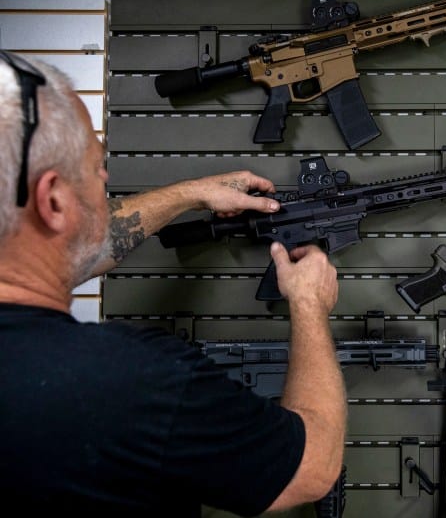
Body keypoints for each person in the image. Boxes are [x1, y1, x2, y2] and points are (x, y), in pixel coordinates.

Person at [0, 52, 346, 516]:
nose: (106, 180)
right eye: (96, 167)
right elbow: (313, 468)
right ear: (54, 202)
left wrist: (189, 194)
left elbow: (80, 249)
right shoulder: (134, 380)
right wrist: (308, 304)